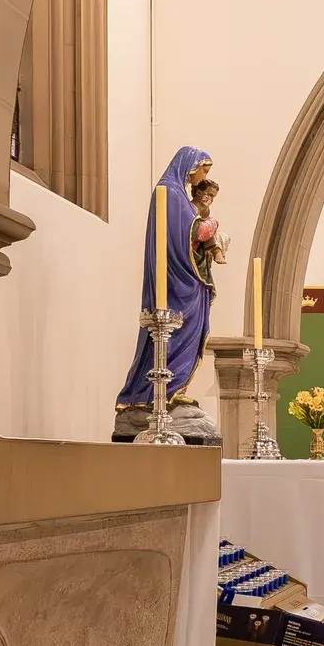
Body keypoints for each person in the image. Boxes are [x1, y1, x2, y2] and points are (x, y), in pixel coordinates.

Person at [111, 147, 226, 440]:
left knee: (188, 337)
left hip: (191, 282)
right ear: (190, 165)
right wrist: (208, 228)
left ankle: (172, 394)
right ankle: (151, 399)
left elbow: (192, 237)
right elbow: (181, 236)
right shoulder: (169, 192)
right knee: (171, 335)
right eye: (203, 168)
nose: (204, 177)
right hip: (176, 285)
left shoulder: (179, 195)